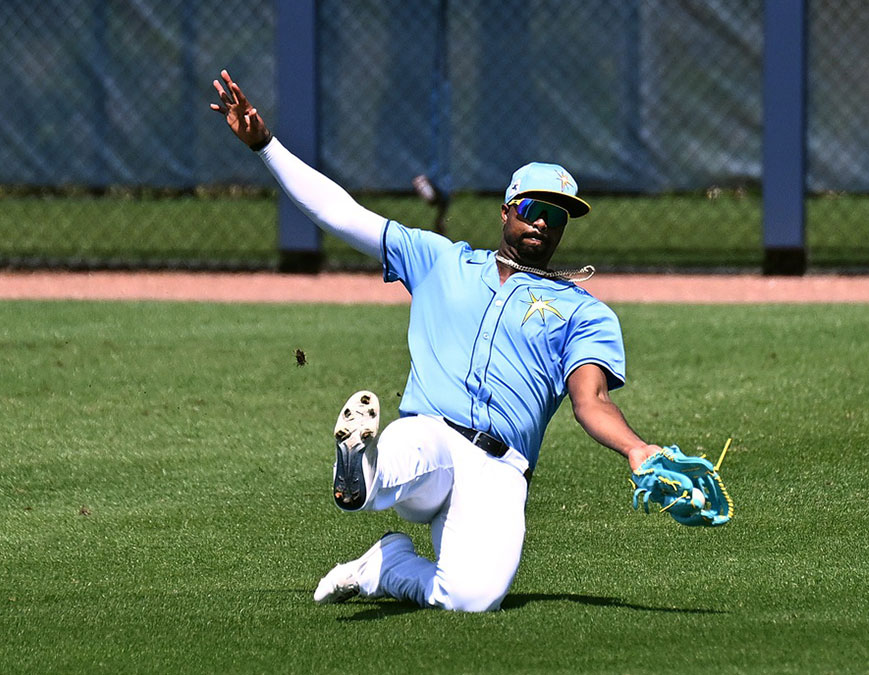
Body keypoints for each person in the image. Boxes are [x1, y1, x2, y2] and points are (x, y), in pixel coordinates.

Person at [211, 70, 662, 612]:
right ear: (505, 210)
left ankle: (388, 566)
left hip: (500, 469)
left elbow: (593, 401)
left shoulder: (584, 312)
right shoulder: (440, 260)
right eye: (530, 209)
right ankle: (363, 467)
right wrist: (266, 145)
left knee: (473, 599)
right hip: (432, 440)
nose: (541, 223)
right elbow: (341, 213)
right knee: (405, 448)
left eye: (556, 216)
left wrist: (637, 449)